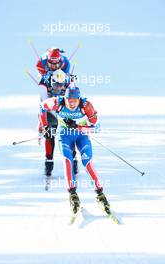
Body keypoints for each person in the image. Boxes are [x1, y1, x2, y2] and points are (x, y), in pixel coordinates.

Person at [40, 86, 110, 214]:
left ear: (79, 100)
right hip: (64, 136)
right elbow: (42, 106)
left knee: (87, 162)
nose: (72, 104)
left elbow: (97, 128)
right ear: (65, 99)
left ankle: (100, 194)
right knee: (68, 160)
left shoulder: (86, 106)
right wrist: (45, 126)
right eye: (69, 101)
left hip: (81, 137)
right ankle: (72, 194)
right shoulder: (57, 102)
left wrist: (78, 127)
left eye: (74, 101)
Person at [38, 69, 78, 177]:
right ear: (51, 82)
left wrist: (74, 122)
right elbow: (43, 108)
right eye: (56, 84)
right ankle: (49, 161)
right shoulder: (44, 86)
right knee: (50, 134)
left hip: (64, 111)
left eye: (61, 85)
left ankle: (73, 159)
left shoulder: (70, 85)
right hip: (50, 111)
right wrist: (44, 125)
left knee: (70, 134)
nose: (58, 88)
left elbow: (75, 105)